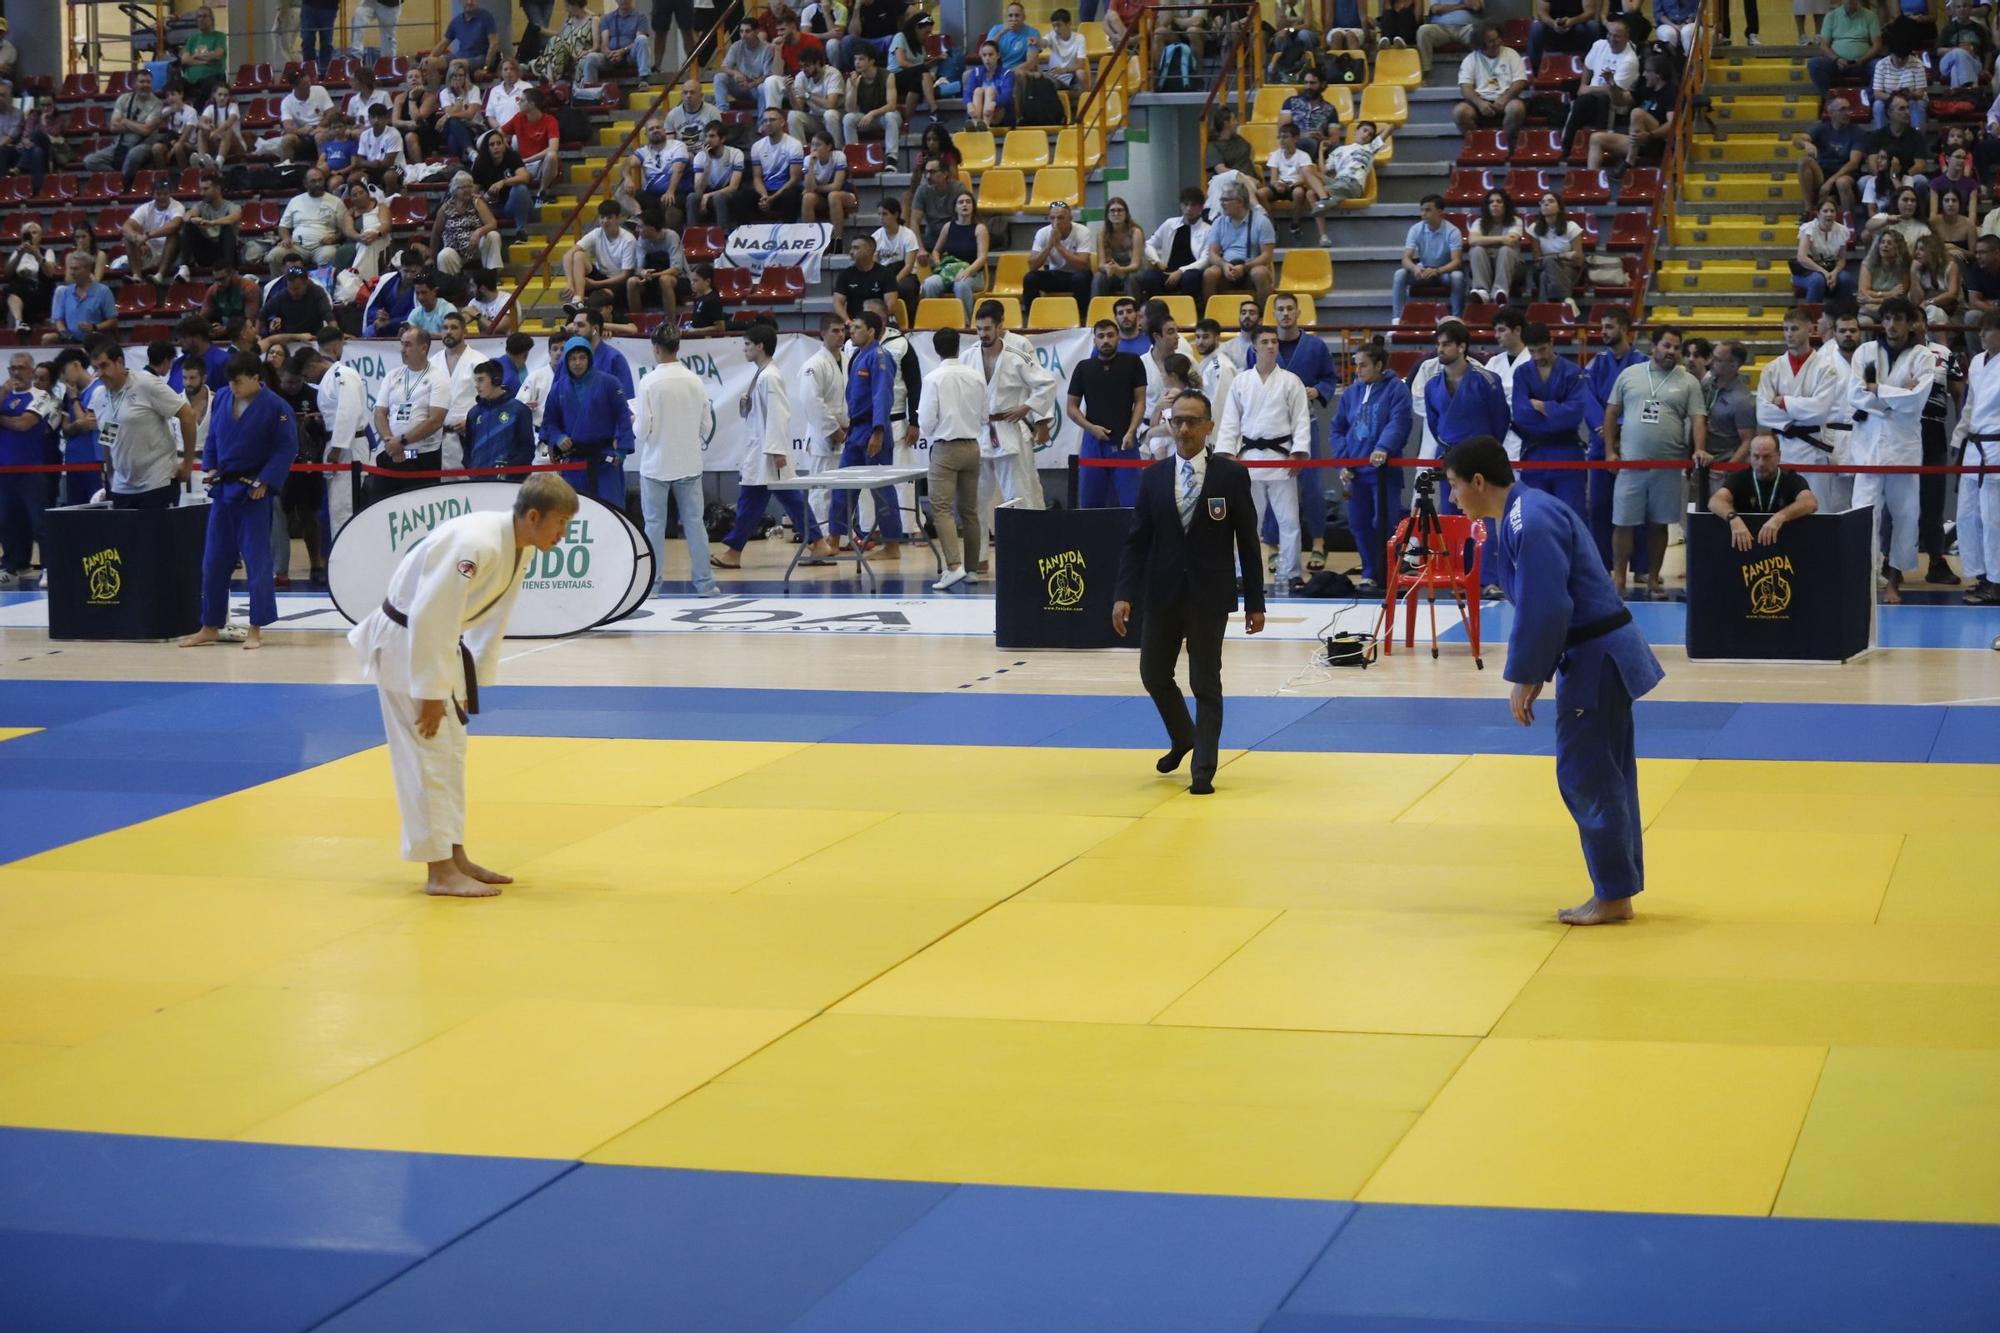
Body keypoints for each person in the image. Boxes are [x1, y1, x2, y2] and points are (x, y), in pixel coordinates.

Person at [1443, 436, 1663, 925]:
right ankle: (1617, 890)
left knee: (1588, 775)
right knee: (1604, 773)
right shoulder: (1524, 513)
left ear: (1478, 481)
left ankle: (1613, 895)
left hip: (1595, 656)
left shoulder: (1531, 520)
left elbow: (1547, 606)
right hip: (1595, 655)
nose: (1452, 498)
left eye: (1454, 486)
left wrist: (1526, 676)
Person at [348, 474, 579, 898]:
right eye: (560, 522)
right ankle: (439, 871)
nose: (563, 534)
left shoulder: (518, 545)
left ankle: (455, 855)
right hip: (406, 646)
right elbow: (430, 614)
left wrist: (475, 681)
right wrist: (430, 692)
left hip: (435, 647)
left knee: (450, 754)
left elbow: (494, 618)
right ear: (533, 516)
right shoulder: (478, 544)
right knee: (427, 758)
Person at [1112, 389, 1264, 796]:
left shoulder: (1231, 476)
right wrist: (1124, 593)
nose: (1183, 429)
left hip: (1209, 593)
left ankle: (1203, 768)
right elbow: (1136, 542)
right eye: (1177, 420)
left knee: (1204, 682)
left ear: (1208, 426)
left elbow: (1248, 542)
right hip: (1161, 591)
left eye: (1192, 421)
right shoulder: (1154, 476)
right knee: (1153, 674)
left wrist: (1255, 602)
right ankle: (1184, 736)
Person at [179, 355, 295, 651]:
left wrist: (265, 480)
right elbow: (213, 438)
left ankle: (256, 628)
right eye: (230, 382)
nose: (234, 387)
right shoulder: (222, 399)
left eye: (239, 381)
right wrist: (210, 467)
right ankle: (209, 625)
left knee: (257, 562)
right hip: (223, 490)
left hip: (254, 492)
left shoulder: (277, 407)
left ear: (257, 378)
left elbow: (286, 448)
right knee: (214, 561)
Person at [1603, 325, 1709, 597]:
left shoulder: (1688, 382)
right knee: (1623, 523)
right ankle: (1618, 580)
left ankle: (1653, 579)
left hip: (1668, 467)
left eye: (1676, 347)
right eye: (1667, 345)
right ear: (1653, 347)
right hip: (1630, 464)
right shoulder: (1630, 375)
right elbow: (1611, 412)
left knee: (1660, 524)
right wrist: (1610, 452)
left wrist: (1699, 449)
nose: (1672, 351)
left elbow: (1698, 418)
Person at [1846, 296, 1936, 603]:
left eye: (1899, 319)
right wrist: (1895, 397)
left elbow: (1917, 401)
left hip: (1903, 447)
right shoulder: (1866, 352)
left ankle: (1895, 579)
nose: (1892, 325)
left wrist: (1877, 391)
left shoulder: (1923, 356)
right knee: (1862, 512)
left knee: (1906, 515)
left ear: (1911, 324)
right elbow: (1855, 394)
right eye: (1887, 319)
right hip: (1868, 446)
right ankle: (1864, 575)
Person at [1216, 322, 1312, 590]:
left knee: (1289, 520)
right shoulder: (1241, 381)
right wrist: (1228, 453)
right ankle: (1242, 573)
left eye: (1274, 342)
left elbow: (1301, 420)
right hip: (1248, 461)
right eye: (1265, 342)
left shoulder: (1291, 381)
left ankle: (1292, 572)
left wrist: (1299, 452)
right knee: (1248, 522)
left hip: (1282, 460)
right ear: (1254, 348)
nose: (1271, 346)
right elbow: (1230, 421)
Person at [634, 325, 724, 595]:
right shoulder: (695, 381)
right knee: (694, 524)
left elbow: (642, 430)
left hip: (656, 464)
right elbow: (706, 425)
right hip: (688, 462)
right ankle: (705, 584)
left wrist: (634, 421)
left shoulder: (648, 382)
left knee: (654, 525)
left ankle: (652, 586)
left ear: (656, 348)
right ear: (678, 347)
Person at [1327, 343, 1411, 591]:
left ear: (1379, 365)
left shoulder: (1396, 389)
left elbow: (1399, 421)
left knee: (1385, 521)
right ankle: (1369, 571)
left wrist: (1383, 447)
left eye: (1363, 365)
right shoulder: (1351, 393)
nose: (1358, 370)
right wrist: (1344, 461)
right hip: (1356, 472)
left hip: (1384, 471)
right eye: (1356, 365)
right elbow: (1337, 428)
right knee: (1358, 523)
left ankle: (1390, 569)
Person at [968, 299, 1054, 537]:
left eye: (987, 328)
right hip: (980, 432)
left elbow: (1043, 383)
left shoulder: (1019, 347)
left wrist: (1033, 413)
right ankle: (979, 554)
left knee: (1022, 492)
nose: (983, 334)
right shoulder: (969, 355)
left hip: (1011, 428)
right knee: (976, 499)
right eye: (979, 329)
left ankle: (1031, 545)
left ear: (1000, 324)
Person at [84, 336, 198, 511]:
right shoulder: (99, 396)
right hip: (122, 487)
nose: (100, 373)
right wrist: (111, 473)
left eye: (104, 366)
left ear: (119, 362)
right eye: (95, 368)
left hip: (157, 483)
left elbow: (187, 415)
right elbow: (108, 433)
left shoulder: (146, 384)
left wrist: (188, 463)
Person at [829, 311, 904, 552]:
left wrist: (878, 431)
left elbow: (882, 396)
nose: (851, 331)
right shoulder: (857, 356)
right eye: (852, 327)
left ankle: (892, 546)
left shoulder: (880, 357)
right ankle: (833, 539)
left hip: (874, 430)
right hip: (856, 431)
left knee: (881, 490)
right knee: (842, 485)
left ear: (871, 331)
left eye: (858, 327)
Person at [918, 327, 986, 590]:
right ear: (959, 346)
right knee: (969, 511)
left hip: (946, 448)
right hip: (972, 446)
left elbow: (926, 422)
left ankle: (954, 567)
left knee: (942, 509)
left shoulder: (933, 378)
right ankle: (972, 569)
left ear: (936, 350)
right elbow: (984, 416)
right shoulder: (976, 376)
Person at [541, 335, 634, 510]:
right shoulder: (558, 388)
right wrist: (558, 437)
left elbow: (623, 417)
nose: (578, 363)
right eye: (573, 358)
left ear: (590, 358)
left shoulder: (609, 383)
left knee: (611, 510)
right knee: (576, 511)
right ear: (566, 361)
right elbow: (550, 422)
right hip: (574, 461)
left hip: (605, 460)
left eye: (582, 357)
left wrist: (621, 450)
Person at [1509, 321, 1589, 521]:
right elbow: (1522, 416)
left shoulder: (1573, 372)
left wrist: (1543, 406)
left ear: (1552, 342)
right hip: (1534, 454)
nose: (1538, 356)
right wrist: (1557, 411)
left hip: (1567, 453)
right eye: (1532, 351)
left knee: (1572, 515)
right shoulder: (1522, 373)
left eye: (1542, 349)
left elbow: (1574, 414)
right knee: (1535, 515)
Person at [1068, 319, 1150, 508]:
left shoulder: (1132, 362)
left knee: (1132, 504)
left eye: (1110, 335)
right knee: (1090, 504)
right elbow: (1071, 408)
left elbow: (1140, 401)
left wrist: (1132, 431)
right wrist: (1091, 428)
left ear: (1118, 338)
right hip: (1093, 444)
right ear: (1094, 340)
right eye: (1101, 336)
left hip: (1125, 442)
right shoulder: (1083, 368)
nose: (1106, 340)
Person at [1952, 309, 2000, 604]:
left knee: (1994, 519)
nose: (1981, 334)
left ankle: (1997, 582)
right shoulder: (1979, 363)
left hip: (1997, 449)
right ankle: (1982, 575)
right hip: (1973, 447)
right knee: (1968, 517)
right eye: (1980, 329)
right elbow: (1969, 406)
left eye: (1988, 329)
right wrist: (1958, 440)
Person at [372, 328, 450, 502]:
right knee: (380, 503)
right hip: (393, 452)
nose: (402, 349)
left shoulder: (438, 379)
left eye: (407, 345)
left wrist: (402, 442)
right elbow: (379, 412)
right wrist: (389, 441)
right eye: (401, 344)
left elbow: (435, 420)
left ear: (423, 348)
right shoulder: (393, 376)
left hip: (421, 455)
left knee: (418, 505)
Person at [1707, 433, 1820, 550]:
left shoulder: (1792, 479)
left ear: (1779, 456)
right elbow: (1715, 501)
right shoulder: (1739, 478)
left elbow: (1810, 503)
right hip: (1744, 546)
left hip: (1785, 547)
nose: (1761, 463)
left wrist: (1779, 517)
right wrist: (1733, 518)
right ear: (1750, 456)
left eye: (1767, 457)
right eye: (1756, 456)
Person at [1391, 194, 1467, 320]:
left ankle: (1457, 318)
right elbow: (1406, 259)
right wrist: (1415, 268)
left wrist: (1437, 271)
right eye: (1422, 210)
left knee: (1457, 276)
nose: (1423, 214)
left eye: (1428, 210)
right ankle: (1397, 319)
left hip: (1445, 272)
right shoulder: (1415, 229)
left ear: (1440, 212)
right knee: (1400, 274)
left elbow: (1456, 262)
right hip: (1424, 270)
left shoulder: (1453, 231)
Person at [1455, 22, 1529, 137]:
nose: (1497, 42)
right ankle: (1478, 143)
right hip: (1481, 100)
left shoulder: (1511, 54)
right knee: (1460, 112)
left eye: (1497, 38)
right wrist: (1479, 103)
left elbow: (1520, 82)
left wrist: (1505, 98)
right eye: (1491, 41)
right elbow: (1465, 87)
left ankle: (1503, 143)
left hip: (1507, 98)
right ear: (1481, 44)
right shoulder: (1470, 59)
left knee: (1517, 108)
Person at [1022, 200, 1095, 308]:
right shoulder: (1042, 233)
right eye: (1052, 218)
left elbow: (1083, 265)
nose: (1056, 222)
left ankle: (1082, 315)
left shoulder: (1082, 231)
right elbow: (1032, 266)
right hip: (1055, 274)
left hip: (1077, 275)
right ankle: (1033, 315)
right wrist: (1049, 245)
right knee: (1030, 278)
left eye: (1060, 218)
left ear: (1070, 218)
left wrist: (1058, 246)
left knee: (1080, 278)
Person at [46, 253, 117, 346]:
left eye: (76, 269)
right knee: (48, 338)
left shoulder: (103, 291)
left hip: (94, 339)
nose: (72, 272)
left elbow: (113, 321)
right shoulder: (66, 291)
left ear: (88, 270)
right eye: (71, 269)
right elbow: (59, 319)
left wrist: (94, 327)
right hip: (70, 338)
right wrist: (65, 333)